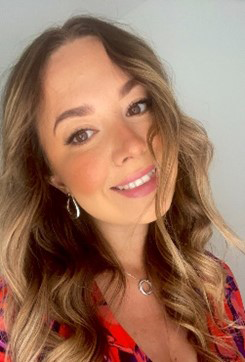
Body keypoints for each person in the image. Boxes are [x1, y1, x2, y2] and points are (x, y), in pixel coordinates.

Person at [0, 14, 244, 362]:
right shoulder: (20, 322)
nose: (132, 145)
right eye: (82, 133)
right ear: (53, 176)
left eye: (137, 106)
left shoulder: (215, 283)